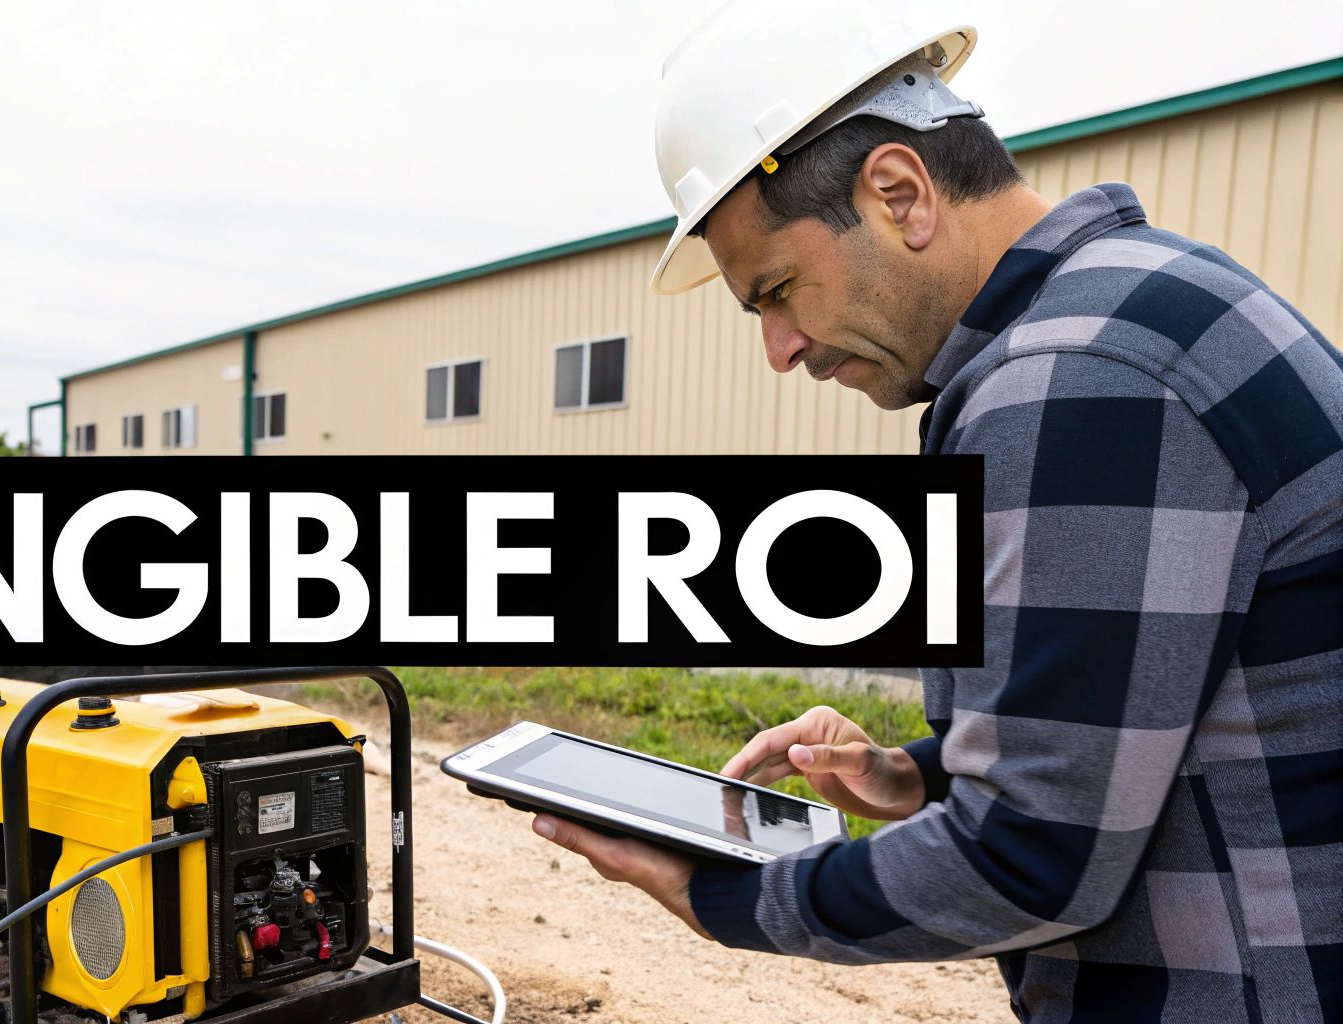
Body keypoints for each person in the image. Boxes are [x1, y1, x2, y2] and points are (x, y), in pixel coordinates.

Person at [533, 5, 1343, 1021]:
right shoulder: (1139, 305)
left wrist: (725, 894)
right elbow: (1141, 710)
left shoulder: (1076, 374)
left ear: (897, 192)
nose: (779, 350)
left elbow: (1032, 855)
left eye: (777, 290)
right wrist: (913, 776)